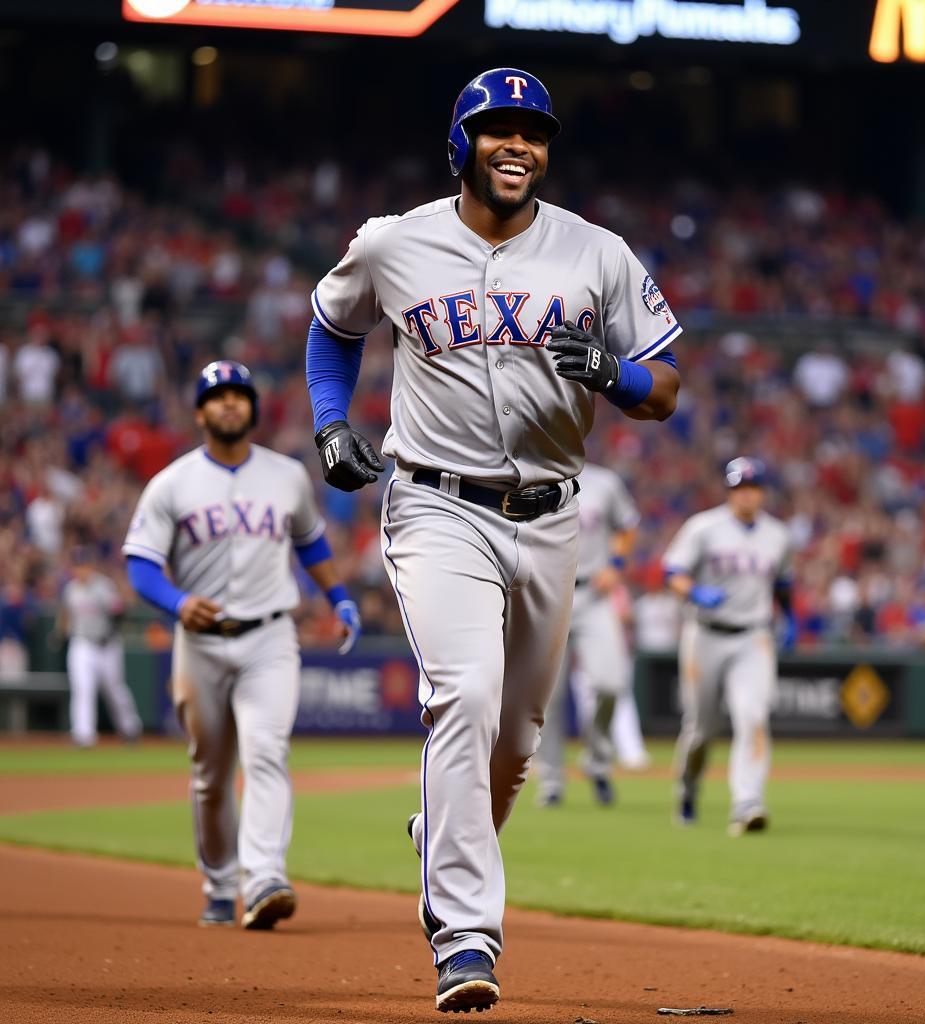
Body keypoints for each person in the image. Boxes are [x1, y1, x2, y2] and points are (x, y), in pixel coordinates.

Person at [305, 68, 680, 1013]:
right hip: (436, 506)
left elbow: (668, 386)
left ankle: (442, 838)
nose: (518, 145)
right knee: (463, 698)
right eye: (498, 129)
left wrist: (617, 374)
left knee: (513, 744)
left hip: (552, 514)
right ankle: (466, 936)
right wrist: (329, 421)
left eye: (534, 133)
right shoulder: (396, 243)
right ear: (461, 144)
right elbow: (332, 324)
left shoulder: (595, 252)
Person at [122, 360, 361, 930]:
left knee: (266, 751)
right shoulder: (173, 483)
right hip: (199, 642)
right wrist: (178, 603)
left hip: (270, 636)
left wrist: (340, 598)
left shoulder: (287, 476)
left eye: (239, 395)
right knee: (210, 774)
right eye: (218, 396)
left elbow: (310, 545)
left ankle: (265, 878)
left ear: (253, 408)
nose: (230, 404)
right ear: (200, 411)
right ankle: (220, 882)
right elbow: (140, 564)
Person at [662, 457, 795, 837]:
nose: (747, 494)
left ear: (763, 491)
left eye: (753, 487)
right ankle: (687, 790)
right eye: (740, 487)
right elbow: (672, 574)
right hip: (705, 634)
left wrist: (789, 617)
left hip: (754, 636)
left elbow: (784, 584)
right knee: (701, 730)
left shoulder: (778, 535)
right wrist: (693, 591)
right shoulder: (704, 527)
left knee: (753, 717)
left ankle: (748, 802)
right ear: (729, 490)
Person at [534, 461, 641, 806]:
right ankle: (551, 779)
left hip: (595, 593)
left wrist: (617, 565)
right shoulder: (533, 475)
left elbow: (627, 526)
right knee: (548, 698)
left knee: (611, 684)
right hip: (548, 593)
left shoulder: (604, 480)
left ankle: (597, 761)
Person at [57, 547, 142, 748]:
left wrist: (119, 611)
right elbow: (65, 614)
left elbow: (118, 610)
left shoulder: (103, 586)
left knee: (114, 690)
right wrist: (60, 632)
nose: (81, 570)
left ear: (91, 566)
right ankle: (83, 735)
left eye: (84, 566)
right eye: (78, 566)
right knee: (82, 689)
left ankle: (130, 728)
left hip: (106, 645)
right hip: (82, 644)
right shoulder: (70, 589)